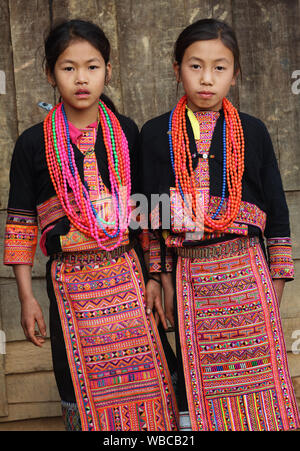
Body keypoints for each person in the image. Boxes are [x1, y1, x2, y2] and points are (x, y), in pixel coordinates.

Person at [3, 19, 178, 431]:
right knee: (81, 390)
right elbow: (20, 225)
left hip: (131, 277)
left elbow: (147, 214)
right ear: (50, 74)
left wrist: (155, 276)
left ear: (107, 71)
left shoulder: (127, 132)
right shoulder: (33, 143)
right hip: (70, 287)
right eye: (68, 68)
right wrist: (27, 298)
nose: (81, 79)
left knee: (153, 387)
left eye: (92, 66)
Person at [140, 18, 300, 431]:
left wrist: (275, 284)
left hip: (248, 275)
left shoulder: (253, 131)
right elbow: (151, 216)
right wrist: (161, 277)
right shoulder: (156, 134)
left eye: (219, 67)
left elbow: (277, 214)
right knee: (202, 390)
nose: (206, 79)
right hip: (191, 275)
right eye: (195, 66)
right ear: (177, 69)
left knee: (260, 386)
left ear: (236, 72)